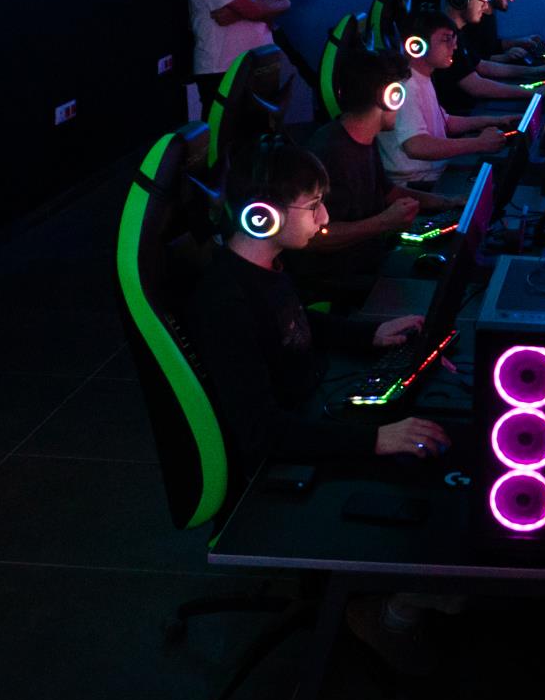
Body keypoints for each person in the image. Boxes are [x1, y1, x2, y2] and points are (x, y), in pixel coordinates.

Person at [185, 138, 447, 486]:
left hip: (312, 405)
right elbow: (263, 431)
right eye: (313, 205)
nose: (324, 217)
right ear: (263, 217)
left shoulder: (264, 268)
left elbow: (290, 320)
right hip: (283, 458)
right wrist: (376, 439)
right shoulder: (225, 302)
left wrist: (371, 334)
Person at [292, 50, 461, 299]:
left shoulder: (363, 136)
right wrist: (385, 222)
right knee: (443, 290)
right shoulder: (330, 152)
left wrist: (449, 202)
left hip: (373, 257)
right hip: (340, 278)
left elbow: (388, 192)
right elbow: (316, 237)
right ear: (389, 97)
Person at [378, 9, 512, 187]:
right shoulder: (404, 88)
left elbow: (445, 121)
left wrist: (496, 120)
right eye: (445, 39)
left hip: (436, 173)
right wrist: (478, 144)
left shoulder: (422, 76)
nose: (454, 47)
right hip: (418, 185)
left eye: (453, 39)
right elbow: (416, 145)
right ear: (417, 45)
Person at [434, 0, 545, 116]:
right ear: (460, 0)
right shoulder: (445, 38)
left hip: (473, 108)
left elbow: (481, 66)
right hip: (463, 114)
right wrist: (534, 92)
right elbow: (476, 86)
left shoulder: (457, 32)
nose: (486, 6)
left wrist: (535, 71)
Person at [460, 0, 545, 64]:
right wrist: (504, 57)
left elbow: (488, 46)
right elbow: (473, 59)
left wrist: (520, 42)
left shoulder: (488, 16)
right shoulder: (474, 19)